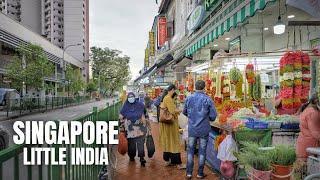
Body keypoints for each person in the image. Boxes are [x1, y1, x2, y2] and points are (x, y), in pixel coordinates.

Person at [183, 80, 217, 179]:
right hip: (204, 129)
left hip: (192, 129)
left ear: (195, 87)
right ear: (204, 87)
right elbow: (213, 116)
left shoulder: (189, 98)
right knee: (202, 151)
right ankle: (200, 173)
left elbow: (184, 112)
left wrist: (192, 117)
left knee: (190, 151)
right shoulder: (208, 99)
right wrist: (206, 118)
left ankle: (189, 173)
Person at [159, 84, 186, 169]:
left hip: (167, 125)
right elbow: (173, 111)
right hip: (170, 124)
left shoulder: (166, 98)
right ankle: (178, 163)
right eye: (175, 90)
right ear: (172, 90)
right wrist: (181, 110)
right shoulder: (168, 98)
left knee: (168, 142)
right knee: (174, 142)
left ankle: (168, 160)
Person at [119, 92, 147, 167]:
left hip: (134, 127)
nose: (131, 98)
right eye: (130, 97)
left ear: (134, 97)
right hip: (135, 128)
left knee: (135, 143)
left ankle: (136, 157)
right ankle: (138, 157)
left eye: (132, 97)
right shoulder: (138, 105)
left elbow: (121, 116)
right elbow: (143, 115)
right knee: (136, 143)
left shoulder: (128, 105)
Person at [296, 92, 320, 161]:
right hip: (310, 148)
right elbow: (315, 133)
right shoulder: (313, 112)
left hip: (305, 146)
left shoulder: (307, 110)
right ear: (316, 101)